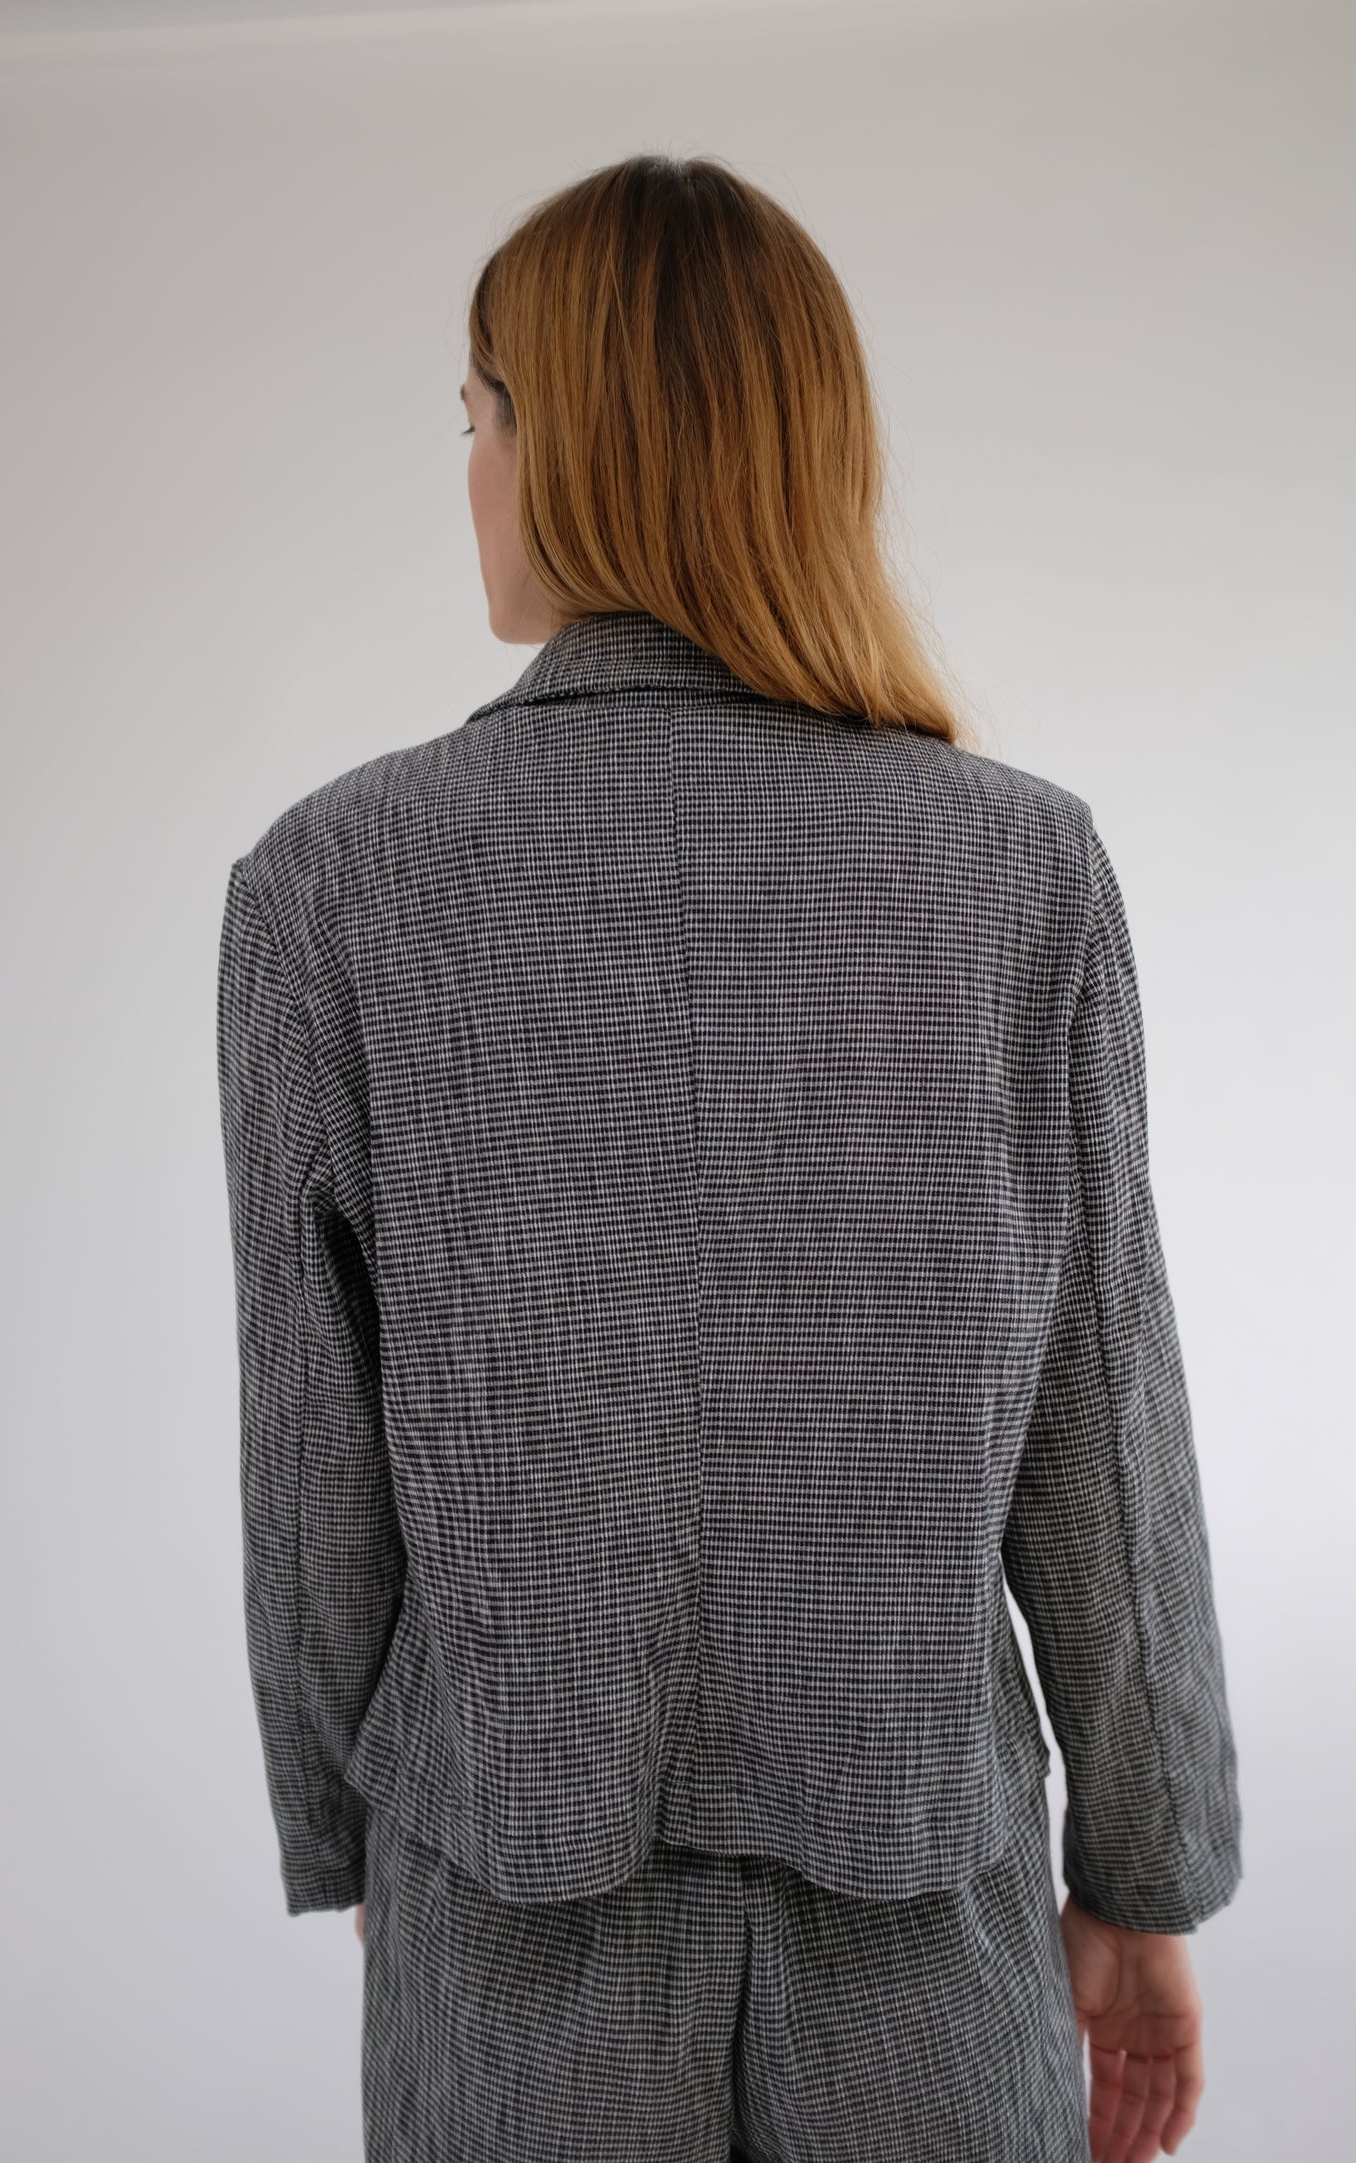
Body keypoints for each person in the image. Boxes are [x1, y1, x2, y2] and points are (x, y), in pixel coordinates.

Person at [216, 153, 1241, 2163]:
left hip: (510, 1915)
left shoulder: (331, 882)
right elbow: (1104, 1433)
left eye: (477, 416)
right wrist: (1144, 1874)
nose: (469, 469)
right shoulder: (1019, 870)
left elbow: (312, 1450)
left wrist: (355, 1826)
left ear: (566, 445)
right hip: (923, 1917)